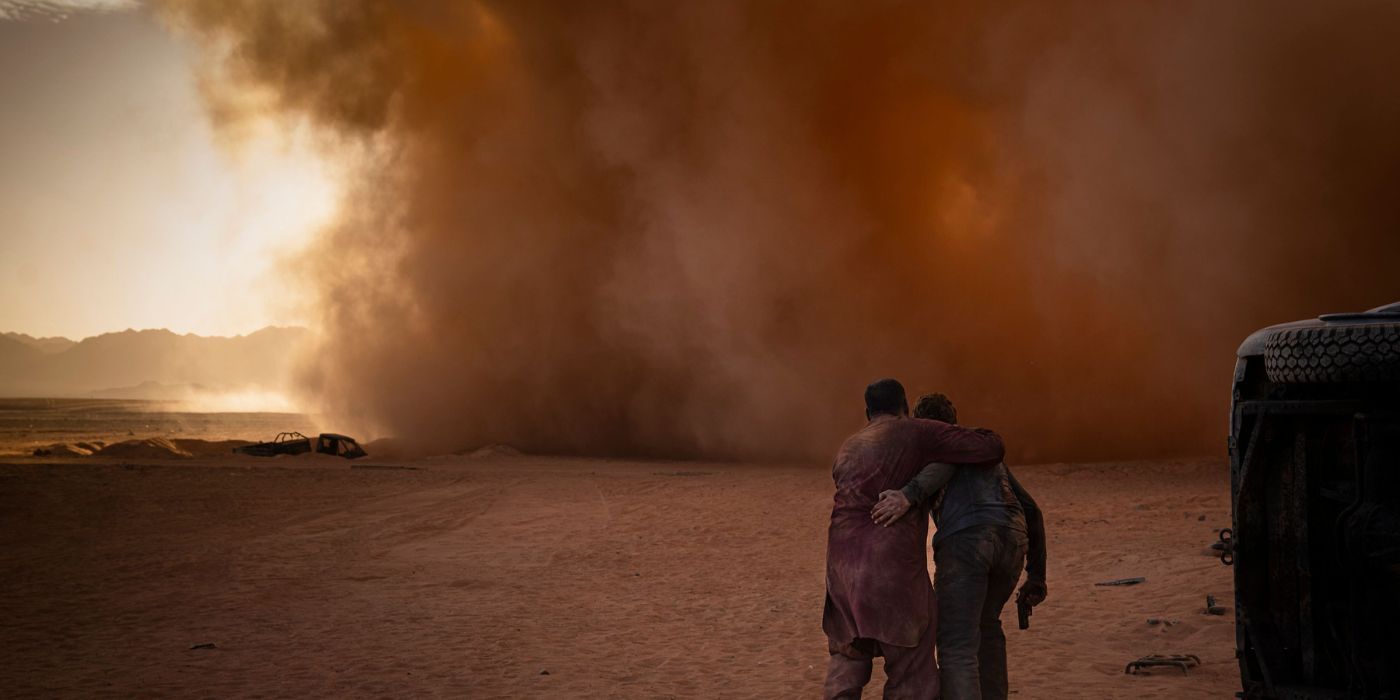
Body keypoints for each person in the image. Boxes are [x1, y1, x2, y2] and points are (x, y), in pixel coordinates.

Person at [823, 379, 1007, 700]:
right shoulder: (918, 431)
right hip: (892, 570)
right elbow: (991, 447)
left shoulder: (849, 446)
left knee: (847, 656)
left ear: (867, 412)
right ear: (904, 407)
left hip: (842, 570)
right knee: (911, 669)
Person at [870, 393, 1047, 700]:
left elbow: (937, 473)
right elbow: (1032, 511)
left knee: (956, 646)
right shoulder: (986, 455)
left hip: (967, 543)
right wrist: (1036, 575)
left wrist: (908, 494)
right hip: (1012, 540)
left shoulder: (931, 455)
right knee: (987, 627)